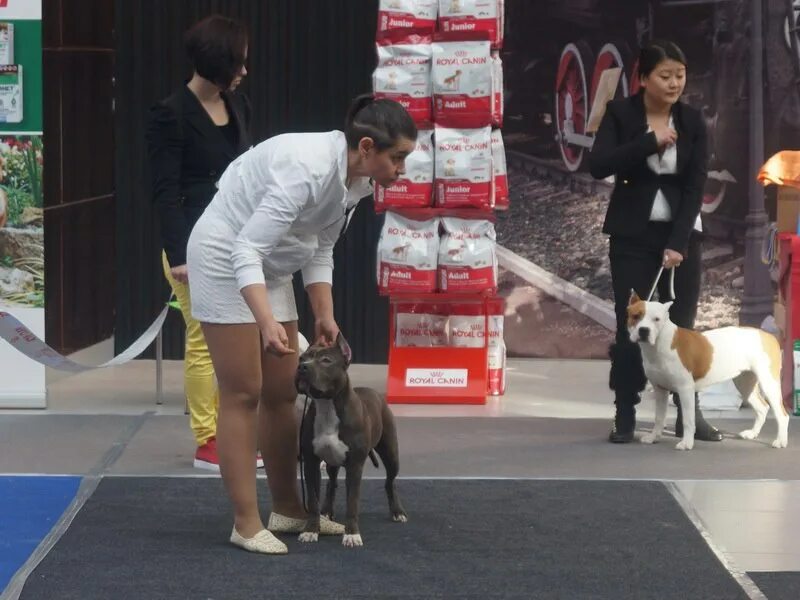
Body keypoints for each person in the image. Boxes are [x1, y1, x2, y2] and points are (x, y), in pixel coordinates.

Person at [186, 95, 417, 553]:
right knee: (243, 392)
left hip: (269, 265)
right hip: (224, 256)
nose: (402, 168)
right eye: (398, 157)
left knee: (282, 391)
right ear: (367, 147)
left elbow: (319, 249)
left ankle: (289, 509)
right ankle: (245, 523)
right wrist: (265, 320)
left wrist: (324, 314)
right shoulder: (307, 170)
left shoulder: (357, 180)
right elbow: (244, 250)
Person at [588, 40, 723, 444]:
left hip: (681, 236)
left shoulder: (693, 121)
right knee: (631, 329)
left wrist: (679, 241)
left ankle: (689, 414)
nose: (674, 83)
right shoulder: (621, 113)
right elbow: (598, 165)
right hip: (632, 235)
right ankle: (625, 412)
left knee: (682, 328)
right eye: (665, 75)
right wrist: (650, 141)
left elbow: (696, 183)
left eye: (680, 75)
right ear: (644, 78)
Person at [146, 15, 253, 470]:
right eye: (238, 63)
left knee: (236, 337)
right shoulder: (169, 113)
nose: (244, 71)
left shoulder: (236, 105)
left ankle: (235, 429)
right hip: (191, 242)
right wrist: (178, 254)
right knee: (202, 338)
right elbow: (164, 191)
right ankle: (208, 438)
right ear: (216, 62)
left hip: (237, 236)